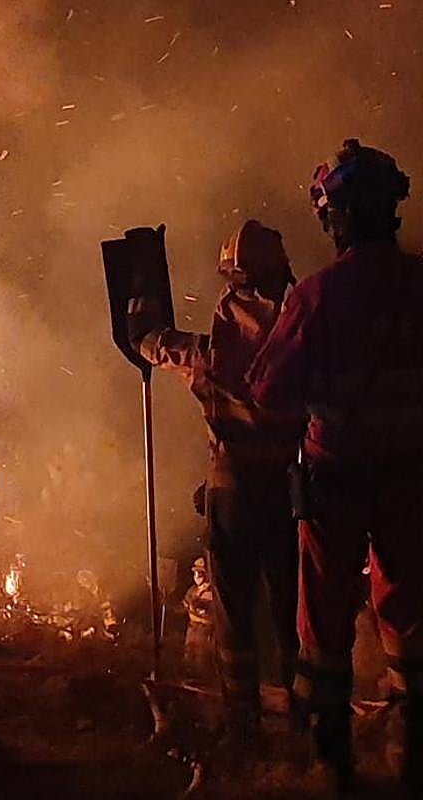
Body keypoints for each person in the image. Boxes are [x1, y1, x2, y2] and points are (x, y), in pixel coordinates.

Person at [248, 139, 422, 791]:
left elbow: (269, 391)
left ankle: (331, 754)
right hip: (413, 477)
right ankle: (412, 745)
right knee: (410, 609)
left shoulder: (318, 296)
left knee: (324, 616)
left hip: (337, 479)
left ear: (339, 216)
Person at [129, 220, 305, 738]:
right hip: (289, 496)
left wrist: (143, 325)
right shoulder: (301, 343)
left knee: (234, 611)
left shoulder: (216, 352)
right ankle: (301, 712)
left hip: (234, 495)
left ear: (233, 281)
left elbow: (168, 348)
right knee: (290, 609)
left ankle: (241, 716)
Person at [183, 556, 215, 682]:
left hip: (205, 630)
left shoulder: (213, 592)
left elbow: (214, 613)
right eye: (196, 572)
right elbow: (184, 607)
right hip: (192, 628)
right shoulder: (193, 590)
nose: (197, 575)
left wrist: (203, 608)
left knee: (202, 660)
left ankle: (204, 685)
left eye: (200, 572)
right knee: (189, 657)